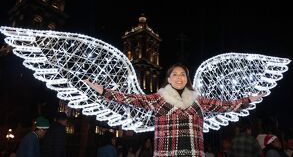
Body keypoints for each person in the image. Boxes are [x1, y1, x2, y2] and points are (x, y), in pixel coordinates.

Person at [84, 63, 264, 157]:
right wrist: (103, 91)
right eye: (175, 75)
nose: (179, 77)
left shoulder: (198, 101)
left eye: (183, 74)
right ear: (169, 79)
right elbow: (130, 99)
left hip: (194, 153)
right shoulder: (158, 99)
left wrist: (247, 99)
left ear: (187, 78)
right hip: (166, 153)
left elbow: (225, 106)